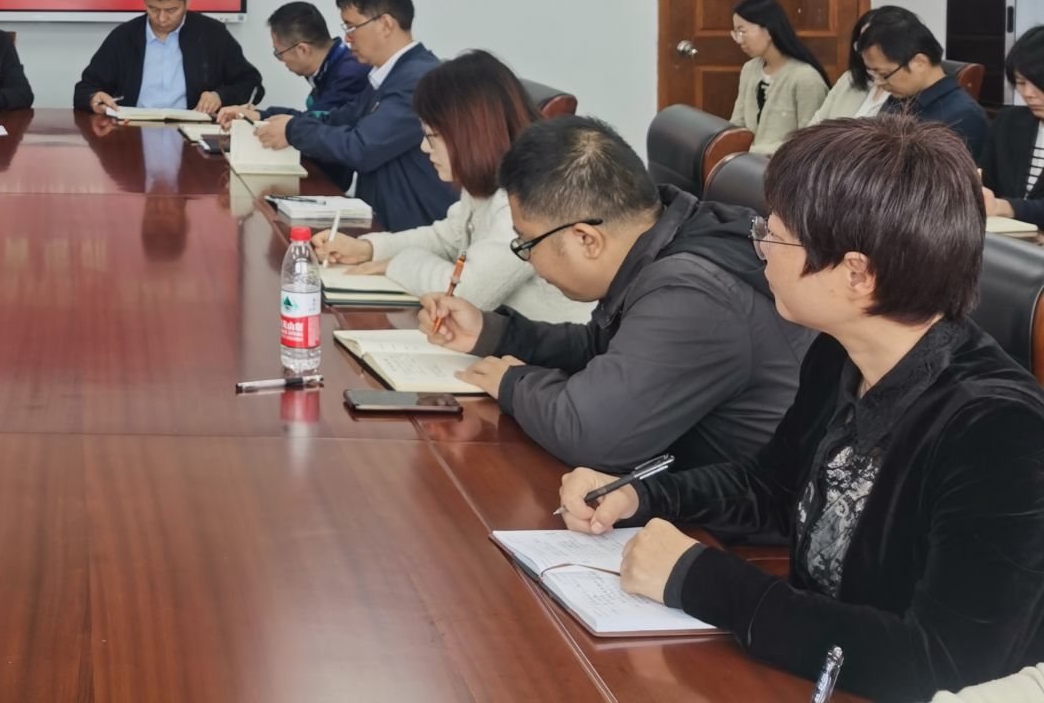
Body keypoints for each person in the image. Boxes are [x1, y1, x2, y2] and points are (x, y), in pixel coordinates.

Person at [557, 116, 1044, 703]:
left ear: (857, 274)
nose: (759, 245)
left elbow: (938, 663)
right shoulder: (840, 353)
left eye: (776, 235)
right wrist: (639, 495)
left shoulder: (998, 432)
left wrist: (702, 580)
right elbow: (772, 488)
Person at [423, 115, 810, 472]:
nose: (529, 259)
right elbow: (601, 348)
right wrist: (492, 333)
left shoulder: (691, 294)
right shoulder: (667, 232)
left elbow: (591, 435)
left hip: (741, 517)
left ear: (586, 239)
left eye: (527, 243)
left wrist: (512, 383)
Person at [313, 50, 592, 322]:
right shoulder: (487, 181)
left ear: (469, 134)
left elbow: (467, 293)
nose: (424, 148)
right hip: (504, 335)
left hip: (554, 349)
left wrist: (398, 264)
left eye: (431, 136)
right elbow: (446, 238)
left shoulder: (526, 197)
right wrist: (368, 249)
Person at [252, 0, 447, 231]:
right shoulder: (388, 75)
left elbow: (361, 148)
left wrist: (292, 131)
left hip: (413, 227)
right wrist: (267, 116)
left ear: (386, 24)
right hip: (384, 219)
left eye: (352, 27)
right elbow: (338, 119)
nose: (347, 39)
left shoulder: (418, 80)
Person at [74, 0, 261, 116]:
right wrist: (94, 98)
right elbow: (85, 89)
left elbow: (252, 84)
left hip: (192, 135)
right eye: (153, 9)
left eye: (171, 10)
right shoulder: (124, 37)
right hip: (131, 133)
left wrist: (220, 96)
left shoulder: (212, 34)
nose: (162, 19)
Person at [216, 0, 368, 130]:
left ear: (302, 50)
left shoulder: (350, 74)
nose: (281, 60)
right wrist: (260, 115)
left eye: (279, 53)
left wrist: (263, 116)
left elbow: (314, 126)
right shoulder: (331, 66)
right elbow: (310, 118)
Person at [859, 10, 989, 158]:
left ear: (919, 63)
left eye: (883, 74)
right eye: (873, 74)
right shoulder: (898, 100)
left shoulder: (964, 117)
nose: (878, 82)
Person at [727, 0, 830, 154]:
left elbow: (808, 142)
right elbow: (737, 123)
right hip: (746, 161)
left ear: (768, 31)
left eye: (742, 32)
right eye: (736, 33)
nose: (739, 40)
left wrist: (752, 152)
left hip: (783, 165)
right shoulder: (750, 69)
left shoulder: (806, 78)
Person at [982, 26, 1044, 223]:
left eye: (1039, 83)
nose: (1028, 93)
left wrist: (1006, 207)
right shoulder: (1008, 122)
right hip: (1001, 238)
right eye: (1021, 83)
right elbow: (985, 180)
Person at [810, 6, 906, 123]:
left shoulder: (907, 89)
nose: (866, 50)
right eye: (862, 42)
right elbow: (815, 125)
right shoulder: (849, 79)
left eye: (872, 42)